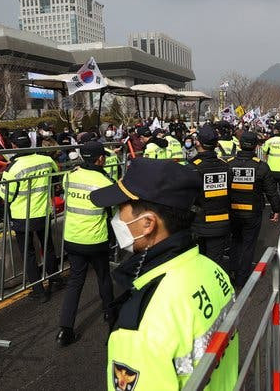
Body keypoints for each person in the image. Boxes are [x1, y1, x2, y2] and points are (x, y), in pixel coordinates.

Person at [89, 158, 238, 390]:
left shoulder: (140, 327)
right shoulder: (213, 270)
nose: (116, 218)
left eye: (121, 208)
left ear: (148, 223)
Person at [56, 141, 115, 346]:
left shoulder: (70, 175)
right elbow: (113, 208)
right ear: (100, 159)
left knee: (75, 281)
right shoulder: (104, 181)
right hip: (95, 239)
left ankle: (65, 330)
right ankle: (110, 315)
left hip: (73, 238)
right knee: (103, 277)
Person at [0, 130, 62, 302]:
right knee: (47, 247)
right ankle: (55, 279)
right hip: (44, 212)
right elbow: (56, 175)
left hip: (22, 216)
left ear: (13, 145)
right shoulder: (46, 160)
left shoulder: (13, 167)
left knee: (29, 253)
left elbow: (6, 195)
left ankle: (39, 291)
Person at [227, 132, 280, 287]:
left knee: (235, 241)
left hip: (232, 211)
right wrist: (276, 210)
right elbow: (271, 191)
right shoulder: (261, 166)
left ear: (239, 145)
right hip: (252, 212)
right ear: (257, 146)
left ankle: (232, 272)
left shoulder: (229, 164)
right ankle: (242, 278)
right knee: (248, 245)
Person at [186, 125, 232, 266]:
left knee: (198, 263)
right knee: (215, 263)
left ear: (198, 142)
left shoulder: (193, 167)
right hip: (221, 222)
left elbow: (188, 197)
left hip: (199, 223)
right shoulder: (226, 166)